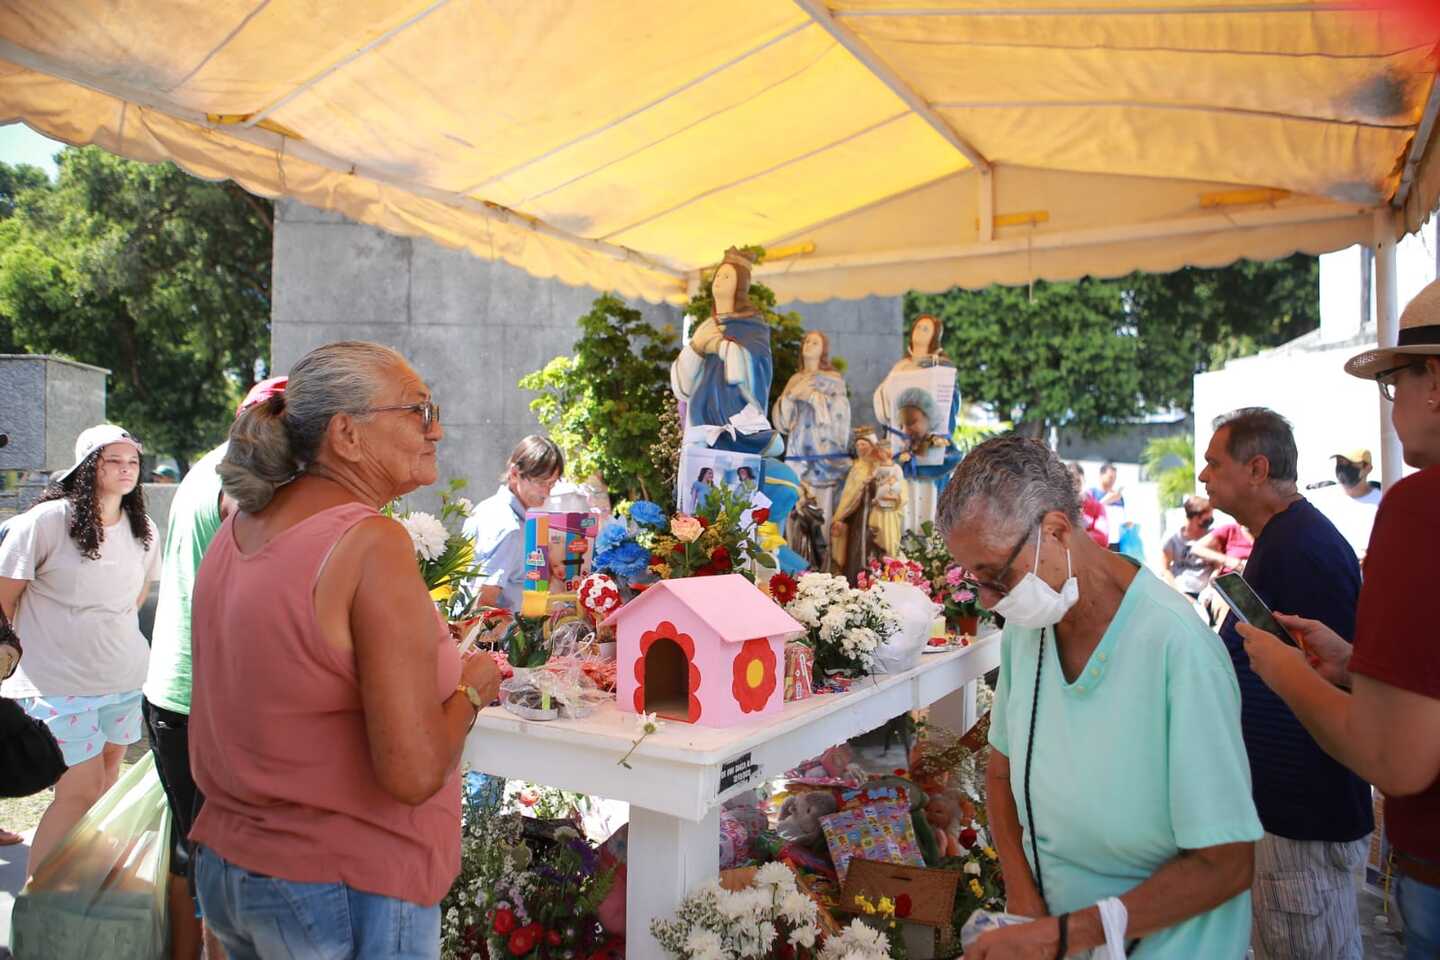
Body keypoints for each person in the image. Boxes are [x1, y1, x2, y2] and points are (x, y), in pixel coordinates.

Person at [188, 340, 503, 959]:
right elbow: (411, 773)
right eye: (419, 410)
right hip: (342, 884)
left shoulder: (238, 529)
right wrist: (474, 686)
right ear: (346, 435)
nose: (436, 430)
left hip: (234, 866)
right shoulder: (370, 543)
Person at [941, 437, 1260, 959]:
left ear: (1058, 532)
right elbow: (1000, 772)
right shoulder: (1031, 628)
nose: (989, 600)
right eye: (975, 579)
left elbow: (1226, 863)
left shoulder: (1178, 648)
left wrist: (1066, 934)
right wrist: (1024, 899)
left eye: (996, 575)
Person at [1240, 278, 1440, 960]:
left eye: (1394, 383)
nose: (1393, 406)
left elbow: (1397, 759)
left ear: (1434, 381)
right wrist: (1356, 665)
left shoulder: (1419, 509)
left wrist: (1286, 671)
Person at [1198, 407, 1371, 958]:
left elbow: (1338, 684)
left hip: (1305, 816)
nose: (1203, 476)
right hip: (1289, 813)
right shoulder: (1284, 540)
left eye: (1213, 462)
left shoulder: (1302, 548)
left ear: (1256, 468)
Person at [142, 375, 286, 960]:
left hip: (172, 689)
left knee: (191, 848)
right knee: (220, 858)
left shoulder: (209, 464)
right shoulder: (244, 482)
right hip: (206, 697)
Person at [0, 424, 160, 878]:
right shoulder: (46, 521)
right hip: (58, 684)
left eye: (133, 461)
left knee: (107, 784)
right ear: (88, 466)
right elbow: (3, 598)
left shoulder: (143, 527)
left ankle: (79, 887)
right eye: (113, 460)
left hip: (126, 678)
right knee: (79, 789)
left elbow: (133, 600)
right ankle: (39, 901)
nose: (126, 469)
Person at [462, 435, 564, 613]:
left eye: (552, 483)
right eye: (541, 482)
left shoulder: (487, 507)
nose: (547, 491)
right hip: (497, 637)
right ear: (515, 473)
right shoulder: (510, 528)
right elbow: (481, 602)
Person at [773, 329, 851, 528]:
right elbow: (782, 421)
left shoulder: (832, 378)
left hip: (822, 455)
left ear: (824, 350)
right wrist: (791, 397)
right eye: (806, 341)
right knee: (795, 508)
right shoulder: (795, 379)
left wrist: (815, 398)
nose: (808, 344)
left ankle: (821, 557)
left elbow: (841, 412)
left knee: (820, 508)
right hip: (797, 452)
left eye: (815, 342)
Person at [1311, 447, 1382, 560]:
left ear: (1367, 468)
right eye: (1339, 462)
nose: (1343, 467)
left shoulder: (1383, 500)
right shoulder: (1320, 499)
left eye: (1349, 464)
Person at [1160, 495, 1217, 603]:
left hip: (1207, 594)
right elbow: (1165, 569)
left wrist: (1210, 589)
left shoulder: (1212, 537)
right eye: (1208, 517)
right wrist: (1179, 594)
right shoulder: (1172, 538)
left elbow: (1218, 567)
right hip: (1181, 591)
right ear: (1196, 518)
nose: (1211, 520)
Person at [1067, 463, 1108, 549]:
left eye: (1078, 481)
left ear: (1084, 480)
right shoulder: (1056, 507)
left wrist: (1076, 537)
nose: (1074, 485)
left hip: (1087, 557)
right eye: (1070, 481)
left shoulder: (1097, 507)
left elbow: (1103, 537)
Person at [1089, 462, 1127, 551]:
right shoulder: (1092, 493)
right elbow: (1088, 515)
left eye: (1114, 478)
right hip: (1096, 542)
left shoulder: (1119, 498)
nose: (1113, 480)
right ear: (1101, 475)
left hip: (1115, 543)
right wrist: (1107, 500)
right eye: (1110, 477)